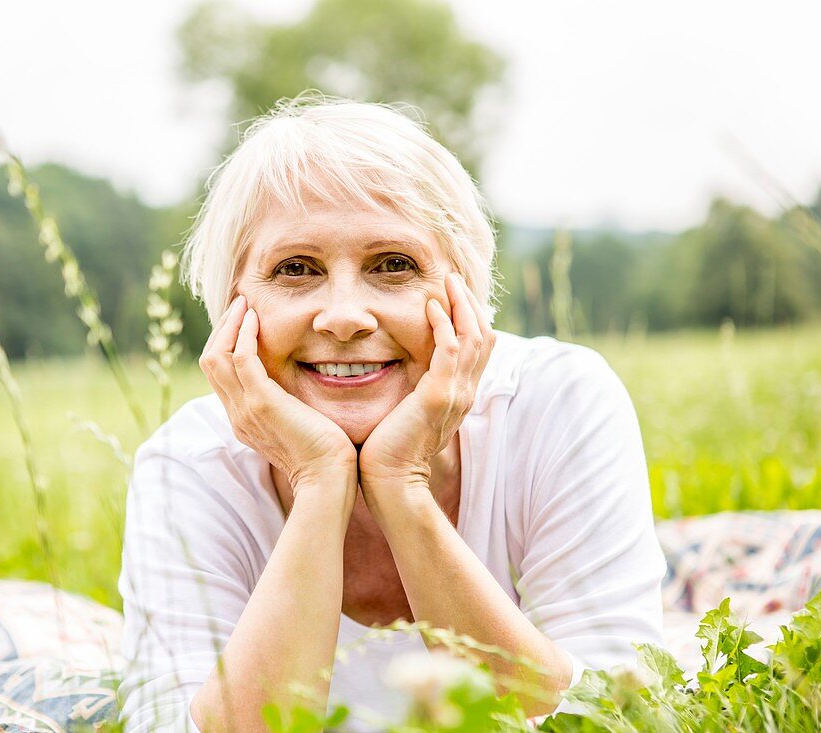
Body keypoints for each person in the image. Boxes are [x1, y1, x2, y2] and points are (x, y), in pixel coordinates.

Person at [116, 96, 666, 733]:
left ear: (465, 296)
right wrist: (320, 479)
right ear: (233, 308)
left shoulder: (559, 402)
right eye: (296, 269)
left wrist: (400, 484)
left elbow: (620, 718)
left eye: (393, 265)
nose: (345, 315)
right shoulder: (186, 467)